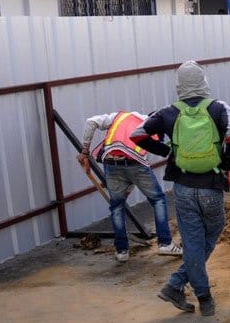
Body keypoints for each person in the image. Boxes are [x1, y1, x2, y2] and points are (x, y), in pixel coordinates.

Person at [131, 61, 230, 317]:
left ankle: (186, 289)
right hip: (211, 186)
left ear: (179, 85)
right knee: (210, 235)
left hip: (182, 187)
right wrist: (226, 164)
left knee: (192, 242)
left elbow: (137, 135)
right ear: (204, 81)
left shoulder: (168, 112)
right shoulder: (218, 107)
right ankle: (189, 291)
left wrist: (168, 150)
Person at [78, 112, 183, 263]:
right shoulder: (151, 126)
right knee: (158, 200)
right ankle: (165, 243)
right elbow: (139, 166)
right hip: (135, 163)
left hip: (111, 162)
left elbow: (90, 121)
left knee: (117, 207)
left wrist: (85, 151)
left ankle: (121, 251)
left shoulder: (119, 117)